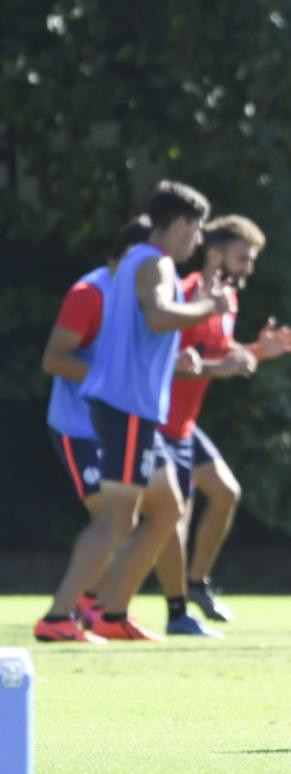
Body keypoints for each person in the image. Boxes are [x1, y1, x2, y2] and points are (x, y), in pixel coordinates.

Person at [82, 181, 233, 641]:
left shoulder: (135, 262)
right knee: (119, 519)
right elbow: (160, 316)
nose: (200, 240)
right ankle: (72, 612)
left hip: (136, 408)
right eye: (198, 229)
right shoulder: (155, 262)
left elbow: (143, 336)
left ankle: (109, 612)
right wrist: (211, 304)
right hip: (129, 406)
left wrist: (178, 361)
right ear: (183, 223)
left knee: (167, 509)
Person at [148, 215, 291, 636]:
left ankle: (195, 585)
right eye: (242, 258)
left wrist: (257, 350)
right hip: (161, 422)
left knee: (225, 493)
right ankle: (171, 611)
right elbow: (168, 367)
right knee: (166, 519)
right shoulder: (184, 294)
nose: (248, 268)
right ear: (214, 254)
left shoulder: (227, 299)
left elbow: (218, 354)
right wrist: (224, 366)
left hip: (186, 424)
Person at [33, 215, 151, 643]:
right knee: (113, 520)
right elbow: (54, 359)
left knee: (141, 517)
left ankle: (90, 607)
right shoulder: (90, 293)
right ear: (134, 258)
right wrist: (115, 374)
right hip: (77, 427)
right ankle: (63, 615)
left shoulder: (137, 295)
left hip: (114, 427)